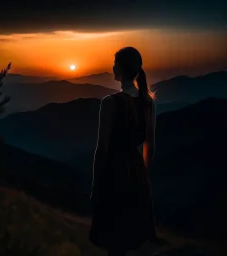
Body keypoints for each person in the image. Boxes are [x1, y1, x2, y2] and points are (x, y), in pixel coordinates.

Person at [89, 47, 157, 256]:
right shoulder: (148, 103)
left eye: (115, 63)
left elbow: (101, 149)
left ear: (120, 68)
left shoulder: (110, 103)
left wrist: (96, 185)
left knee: (115, 240)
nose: (112, 67)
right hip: (136, 172)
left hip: (114, 173)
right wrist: (142, 176)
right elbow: (150, 146)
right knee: (129, 237)